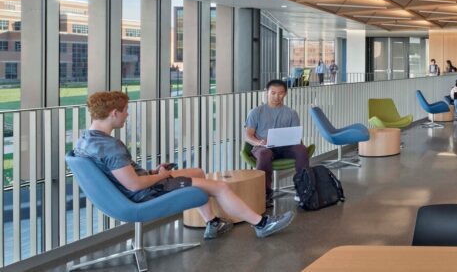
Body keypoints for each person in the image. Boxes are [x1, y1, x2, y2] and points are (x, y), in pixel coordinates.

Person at [73, 91, 294, 240]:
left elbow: (125, 176)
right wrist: (162, 175)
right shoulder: (111, 147)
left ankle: (213, 222)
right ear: (114, 114)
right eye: (124, 111)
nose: (127, 115)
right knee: (220, 187)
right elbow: (135, 185)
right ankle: (261, 223)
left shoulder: (85, 141)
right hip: (144, 193)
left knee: (197, 172)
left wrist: (154, 171)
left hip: (133, 188)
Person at [245, 79, 310, 204]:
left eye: (280, 93)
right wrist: (258, 143)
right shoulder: (256, 112)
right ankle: (265, 193)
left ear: (285, 94)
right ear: (266, 92)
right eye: (273, 93)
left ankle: (303, 189)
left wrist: (300, 147)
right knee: (265, 153)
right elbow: (248, 136)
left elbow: (295, 135)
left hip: (285, 147)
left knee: (301, 149)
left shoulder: (291, 113)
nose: (276, 96)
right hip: (263, 147)